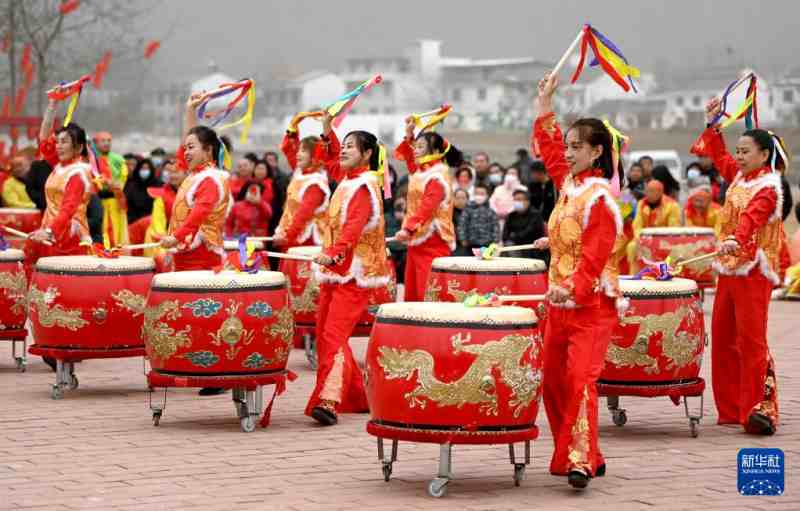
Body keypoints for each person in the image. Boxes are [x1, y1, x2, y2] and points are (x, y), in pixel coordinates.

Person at [533, 71, 624, 489]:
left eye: (576, 147)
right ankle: (584, 451)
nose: (567, 154)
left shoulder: (601, 199)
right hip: (558, 303)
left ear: (597, 151)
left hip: (590, 305)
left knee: (580, 381)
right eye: (568, 146)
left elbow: (594, 255)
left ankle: (580, 459)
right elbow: (549, 151)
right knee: (551, 380)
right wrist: (545, 102)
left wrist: (572, 288)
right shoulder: (570, 189)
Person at [696, 96, 785, 435]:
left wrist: (738, 236)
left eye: (746, 151)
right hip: (730, 268)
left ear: (764, 155)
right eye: (739, 150)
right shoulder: (740, 177)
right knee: (722, 336)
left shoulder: (768, 186)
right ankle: (731, 409)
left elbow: (753, 216)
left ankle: (757, 407)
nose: (739, 156)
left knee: (751, 340)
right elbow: (718, 157)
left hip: (753, 270)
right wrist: (712, 124)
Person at [307, 122, 392, 426]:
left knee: (334, 335)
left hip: (354, 272)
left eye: (350, 146)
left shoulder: (364, 186)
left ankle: (329, 400)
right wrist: (328, 130)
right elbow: (330, 160)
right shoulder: (347, 180)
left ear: (367, 153)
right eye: (343, 145)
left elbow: (352, 229)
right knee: (323, 334)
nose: (343, 150)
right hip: (338, 270)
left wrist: (332, 254)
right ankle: (358, 396)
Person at [393, 116, 461, 302]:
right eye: (416, 146)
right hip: (418, 238)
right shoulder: (422, 172)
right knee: (412, 290)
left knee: (429, 292)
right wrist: (409, 134)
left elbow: (427, 207)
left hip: (433, 239)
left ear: (436, 151)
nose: (415, 150)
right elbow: (409, 159)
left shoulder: (438, 176)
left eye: (420, 146)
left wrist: (408, 228)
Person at [25, 89, 94, 269]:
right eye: (58, 141)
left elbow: (68, 209)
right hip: (52, 231)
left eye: (64, 142)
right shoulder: (60, 165)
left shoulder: (78, 174)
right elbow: (43, 139)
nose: (58, 146)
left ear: (78, 148)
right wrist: (52, 104)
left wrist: (49, 232)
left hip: (69, 236)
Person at [272, 112, 335, 248]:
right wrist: (292, 129)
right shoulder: (301, 172)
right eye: (299, 150)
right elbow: (289, 150)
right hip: (292, 235)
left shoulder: (315, 183)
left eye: (303, 151)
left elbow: (303, 214)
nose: (298, 154)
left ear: (314, 156)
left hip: (307, 239)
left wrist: (288, 236)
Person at [626, 180, 681, 270]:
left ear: (660, 192)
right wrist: (639, 238)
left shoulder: (672, 205)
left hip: (665, 239)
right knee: (632, 246)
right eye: (647, 191)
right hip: (645, 238)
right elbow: (637, 224)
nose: (648, 194)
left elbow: (674, 228)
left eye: (652, 191)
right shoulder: (641, 203)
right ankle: (635, 275)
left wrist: (658, 238)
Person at [144, 156, 187, 260]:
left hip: (188, 241)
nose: (172, 176)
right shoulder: (161, 197)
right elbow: (158, 228)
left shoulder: (193, 194)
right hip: (167, 243)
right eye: (170, 172)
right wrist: (166, 249)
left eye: (176, 172)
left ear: (186, 173)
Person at [94, 132, 129, 247]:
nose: (107, 143)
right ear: (96, 142)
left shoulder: (119, 160)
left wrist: (111, 184)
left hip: (115, 201)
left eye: (109, 140)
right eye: (103, 140)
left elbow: (122, 180)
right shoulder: (92, 159)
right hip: (98, 201)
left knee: (117, 233)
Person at [502, 189, 546, 261]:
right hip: (514, 246)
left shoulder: (535, 215)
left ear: (527, 201)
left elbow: (528, 233)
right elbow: (505, 234)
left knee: (509, 246)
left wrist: (513, 236)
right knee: (506, 247)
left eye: (519, 200)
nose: (517, 202)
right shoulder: (511, 215)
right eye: (515, 200)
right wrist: (510, 238)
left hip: (532, 248)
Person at [456, 183, 499, 253]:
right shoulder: (468, 209)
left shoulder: (491, 211)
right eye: (477, 193)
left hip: (487, 245)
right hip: (470, 244)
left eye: (482, 194)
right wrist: (463, 239)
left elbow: (495, 227)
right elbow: (462, 224)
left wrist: (495, 241)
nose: (479, 196)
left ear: (487, 196)